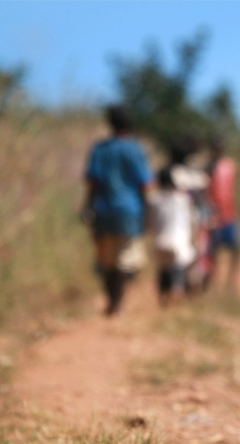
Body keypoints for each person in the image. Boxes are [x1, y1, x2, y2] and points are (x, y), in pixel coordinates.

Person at [83, 105, 154, 316]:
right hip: (129, 210)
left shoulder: (100, 149)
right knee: (124, 259)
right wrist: (147, 211)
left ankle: (111, 300)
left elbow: (92, 184)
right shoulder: (136, 149)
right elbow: (145, 184)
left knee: (107, 258)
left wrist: (87, 206)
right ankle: (118, 302)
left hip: (103, 208)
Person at [150, 144, 200, 306]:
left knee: (163, 269)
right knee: (181, 266)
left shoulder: (154, 199)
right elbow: (194, 221)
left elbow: (150, 222)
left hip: (159, 243)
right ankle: (177, 291)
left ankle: (163, 298)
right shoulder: (182, 199)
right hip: (178, 244)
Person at [207, 137, 240, 290]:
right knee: (213, 253)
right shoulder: (208, 168)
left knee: (236, 249)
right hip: (214, 217)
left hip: (230, 215)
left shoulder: (230, 166)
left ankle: (231, 283)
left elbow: (232, 190)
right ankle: (213, 283)